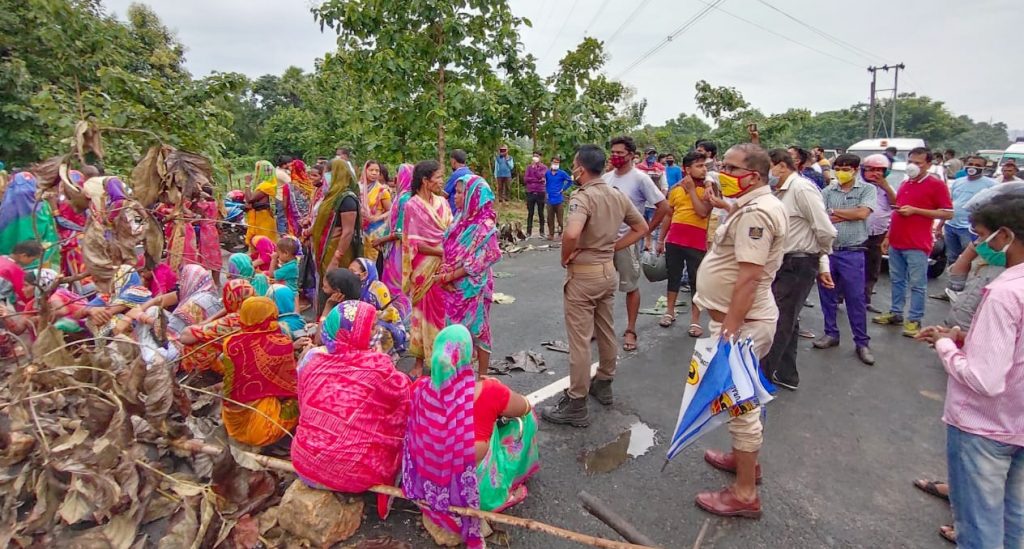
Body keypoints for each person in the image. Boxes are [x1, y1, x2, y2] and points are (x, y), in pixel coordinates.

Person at [914, 197, 1024, 549]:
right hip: (1018, 424)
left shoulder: (1005, 293)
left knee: (979, 529)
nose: (977, 245)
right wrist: (968, 338)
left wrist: (946, 346)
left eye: (981, 236)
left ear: (1005, 235)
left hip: (985, 426)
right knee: (1013, 521)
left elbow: (984, 379)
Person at [692, 143, 787, 519]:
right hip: (741, 321)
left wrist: (729, 332)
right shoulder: (751, 205)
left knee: (741, 405)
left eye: (731, 168)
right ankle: (743, 461)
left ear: (755, 176)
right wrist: (725, 206)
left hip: (743, 324)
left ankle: (745, 494)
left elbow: (748, 278)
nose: (722, 172)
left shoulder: (757, 214)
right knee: (741, 400)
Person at [404, 325, 539, 546]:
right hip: (475, 491)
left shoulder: (419, 389)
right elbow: (524, 406)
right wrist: (498, 389)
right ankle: (503, 490)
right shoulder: (486, 392)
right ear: (471, 356)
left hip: (429, 483)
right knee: (526, 419)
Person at [541, 144, 647, 427]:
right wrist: (613, 247)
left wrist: (566, 256)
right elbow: (642, 228)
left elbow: (573, 232)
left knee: (580, 340)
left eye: (575, 164)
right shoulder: (616, 195)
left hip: (584, 274)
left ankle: (577, 402)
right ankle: (604, 382)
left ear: (581, 168)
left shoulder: (582, 197)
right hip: (607, 272)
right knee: (606, 330)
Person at [292, 300, 411, 493]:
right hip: (351, 473)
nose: (376, 333)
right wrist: (380, 360)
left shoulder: (312, 359)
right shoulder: (378, 368)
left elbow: (303, 404)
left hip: (304, 461)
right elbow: (403, 400)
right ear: (354, 333)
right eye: (371, 328)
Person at [755, 149, 836, 390]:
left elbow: (824, 230)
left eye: (767, 168)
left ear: (781, 166)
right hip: (783, 261)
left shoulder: (802, 188)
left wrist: (821, 262)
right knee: (787, 318)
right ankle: (787, 373)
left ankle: (761, 381)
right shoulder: (778, 192)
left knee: (778, 320)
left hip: (799, 262)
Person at [873, 147, 953, 337]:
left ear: (929, 165)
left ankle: (914, 320)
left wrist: (916, 211)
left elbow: (948, 212)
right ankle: (896, 313)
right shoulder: (905, 183)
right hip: (897, 241)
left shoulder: (936, 185)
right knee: (897, 280)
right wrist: (887, 237)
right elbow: (898, 210)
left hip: (918, 243)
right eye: (911, 162)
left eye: (918, 163)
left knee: (917, 284)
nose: (913, 166)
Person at [602, 136, 669, 352]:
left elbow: (663, 206)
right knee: (602, 288)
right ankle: (600, 328)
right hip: (604, 242)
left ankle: (630, 330)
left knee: (630, 286)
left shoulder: (641, 179)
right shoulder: (605, 178)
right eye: (613, 152)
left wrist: (646, 230)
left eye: (620, 153)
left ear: (631, 155)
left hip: (627, 241)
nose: (616, 156)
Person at [813, 154, 877, 366]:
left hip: (853, 251)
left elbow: (862, 213)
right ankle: (831, 333)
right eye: (838, 167)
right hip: (829, 251)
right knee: (827, 294)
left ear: (856, 169)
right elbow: (820, 217)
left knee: (855, 298)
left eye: (846, 168)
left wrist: (834, 212)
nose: (841, 171)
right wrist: (845, 214)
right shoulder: (827, 191)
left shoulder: (867, 190)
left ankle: (861, 342)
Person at [437, 174, 501, 376]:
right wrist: (445, 272)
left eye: (459, 192)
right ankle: (457, 372)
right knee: (454, 329)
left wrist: (449, 276)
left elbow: (484, 259)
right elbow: (447, 248)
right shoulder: (459, 219)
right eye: (456, 192)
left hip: (474, 286)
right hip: (454, 286)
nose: (455, 197)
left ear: (473, 196)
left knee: (478, 329)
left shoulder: (485, 227)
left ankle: (482, 377)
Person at [220, 296, 300, 447]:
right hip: (262, 430)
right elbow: (290, 387)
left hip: (232, 422)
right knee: (302, 397)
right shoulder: (281, 343)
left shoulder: (230, 343)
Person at [403, 160, 453, 379]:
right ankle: (419, 360)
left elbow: (450, 231)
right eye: (438, 177)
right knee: (422, 313)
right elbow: (414, 242)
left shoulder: (443, 202)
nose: (442, 181)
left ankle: (444, 357)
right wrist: (441, 252)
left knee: (443, 313)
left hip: (445, 264)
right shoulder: (412, 206)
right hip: (424, 266)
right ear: (425, 180)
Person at [656, 151, 711, 336]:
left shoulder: (709, 190)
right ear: (687, 169)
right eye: (699, 166)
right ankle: (669, 311)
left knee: (697, 281)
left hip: (697, 242)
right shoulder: (675, 190)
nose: (703, 170)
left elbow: (702, 212)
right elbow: (668, 216)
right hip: (675, 239)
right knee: (674, 277)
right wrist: (660, 239)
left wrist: (692, 191)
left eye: (704, 166)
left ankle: (695, 321)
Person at [311, 158, 362, 313]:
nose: (325, 176)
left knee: (336, 285)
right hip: (326, 247)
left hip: (338, 250)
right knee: (327, 284)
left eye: (328, 172)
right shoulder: (332, 194)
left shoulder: (346, 199)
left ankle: (339, 319)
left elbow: (347, 231)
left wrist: (336, 258)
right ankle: (324, 318)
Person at [178, 279, 255, 374]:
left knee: (194, 345)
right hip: (250, 360)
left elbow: (185, 337)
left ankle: (200, 374)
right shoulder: (258, 312)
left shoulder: (233, 320)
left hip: (233, 366)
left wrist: (206, 322)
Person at [936, 155, 996, 266]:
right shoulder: (958, 182)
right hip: (951, 226)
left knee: (968, 258)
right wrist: (940, 226)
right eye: (970, 164)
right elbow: (950, 205)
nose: (973, 167)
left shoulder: (991, 185)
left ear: (984, 168)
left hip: (970, 229)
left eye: (977, 165)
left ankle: (966, 282)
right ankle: (953, 280)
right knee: (952, 257)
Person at [375, 163, 413, 319]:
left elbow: (400, 232)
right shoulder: (401, 196)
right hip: (395, 247)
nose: (396, 178)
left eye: (398, 174)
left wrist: (380, 240)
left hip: (399, 248)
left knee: (397, 283)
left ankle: (400, 318)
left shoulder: (406, 199)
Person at [350, 257, 408, 358]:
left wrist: (374, 316)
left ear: (364, 275)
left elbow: (390, 313)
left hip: (383, 324)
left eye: (352, 271)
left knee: (378, 331)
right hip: (364, 323)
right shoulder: (352, 286)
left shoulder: (378, 288)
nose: (348, 274)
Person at [0, 172, 60, 269]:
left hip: (9, 263)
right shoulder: (43, 206)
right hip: (39, 260)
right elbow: (51, 232)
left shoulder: (4, 209)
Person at [861, 154, 896, 314]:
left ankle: (866, 299)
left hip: (878, 233)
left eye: (879, 170)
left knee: (872, 267)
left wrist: (885, 187)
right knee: (851, 265)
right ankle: (840, 295)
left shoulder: (887, 188)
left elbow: (896, 204)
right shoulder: (858, 186)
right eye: (871, 170)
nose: (875, 174)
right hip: (857, 232)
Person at [360, 160, 392, 263]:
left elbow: (390, 211)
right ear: (365, 171)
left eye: (377, 171)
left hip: (376, 231)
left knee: (373, 261)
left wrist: (376, 218)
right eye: (371, 170)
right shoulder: (358, 188)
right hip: (360, 230)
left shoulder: (382, 190)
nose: (374, 173)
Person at [245, 160, 279, 248]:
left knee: (264, 244)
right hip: (261, 217)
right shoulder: (264, 185)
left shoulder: (266, 185)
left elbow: (250, 199)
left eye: (257, 170)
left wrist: (247, 184)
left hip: (263, 218)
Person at [194, 185, 222, 287]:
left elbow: (196, 208)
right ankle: (217, 282)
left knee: (206, 256)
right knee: (215, 256)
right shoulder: (214, 203)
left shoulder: (205, 204)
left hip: (206, 232)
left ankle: (207, 283)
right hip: (212, 230)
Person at [543, 156, 573, 240]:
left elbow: (570, 180)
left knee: (560, 218)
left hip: (559, 199)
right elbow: (544, 182)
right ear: (551, 163)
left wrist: (563, 189)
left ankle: (560, 233)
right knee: (550, 218)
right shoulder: (547, 173)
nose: (555, 164)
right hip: (550, 199)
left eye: (557, 163)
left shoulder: (562, 173)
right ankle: (551, 234)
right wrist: (546, 192)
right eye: (554, 162)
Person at [283, 159, 314, 236]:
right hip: (310, 218)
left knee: (296, 238)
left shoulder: (288, 187)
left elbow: (284, 205)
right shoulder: (311, 184)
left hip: (294, 218)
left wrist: (286, 218)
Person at [524, 152, 547, 238]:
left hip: (540, 192)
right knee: (530, 213)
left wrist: (535, 170)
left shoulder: (544, 167)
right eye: (534, 156)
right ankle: (528, 232)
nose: (535, 158)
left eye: (537, 156)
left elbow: (542, 177)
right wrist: (537, 180)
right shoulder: (528, 167)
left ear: (540, 157)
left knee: (541, 212)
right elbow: (526, 179)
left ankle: (542, 232)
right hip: (530, 192)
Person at [274, 156, 293, 236]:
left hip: (279, 196)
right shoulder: (281, 173)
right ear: (284, 164)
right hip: (282, 197)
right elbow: (291, 182)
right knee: (282, 216)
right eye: (290, 163)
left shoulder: (278, 170)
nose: (291, 164)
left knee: (281, 215)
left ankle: (282, 232)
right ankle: (282, 234)